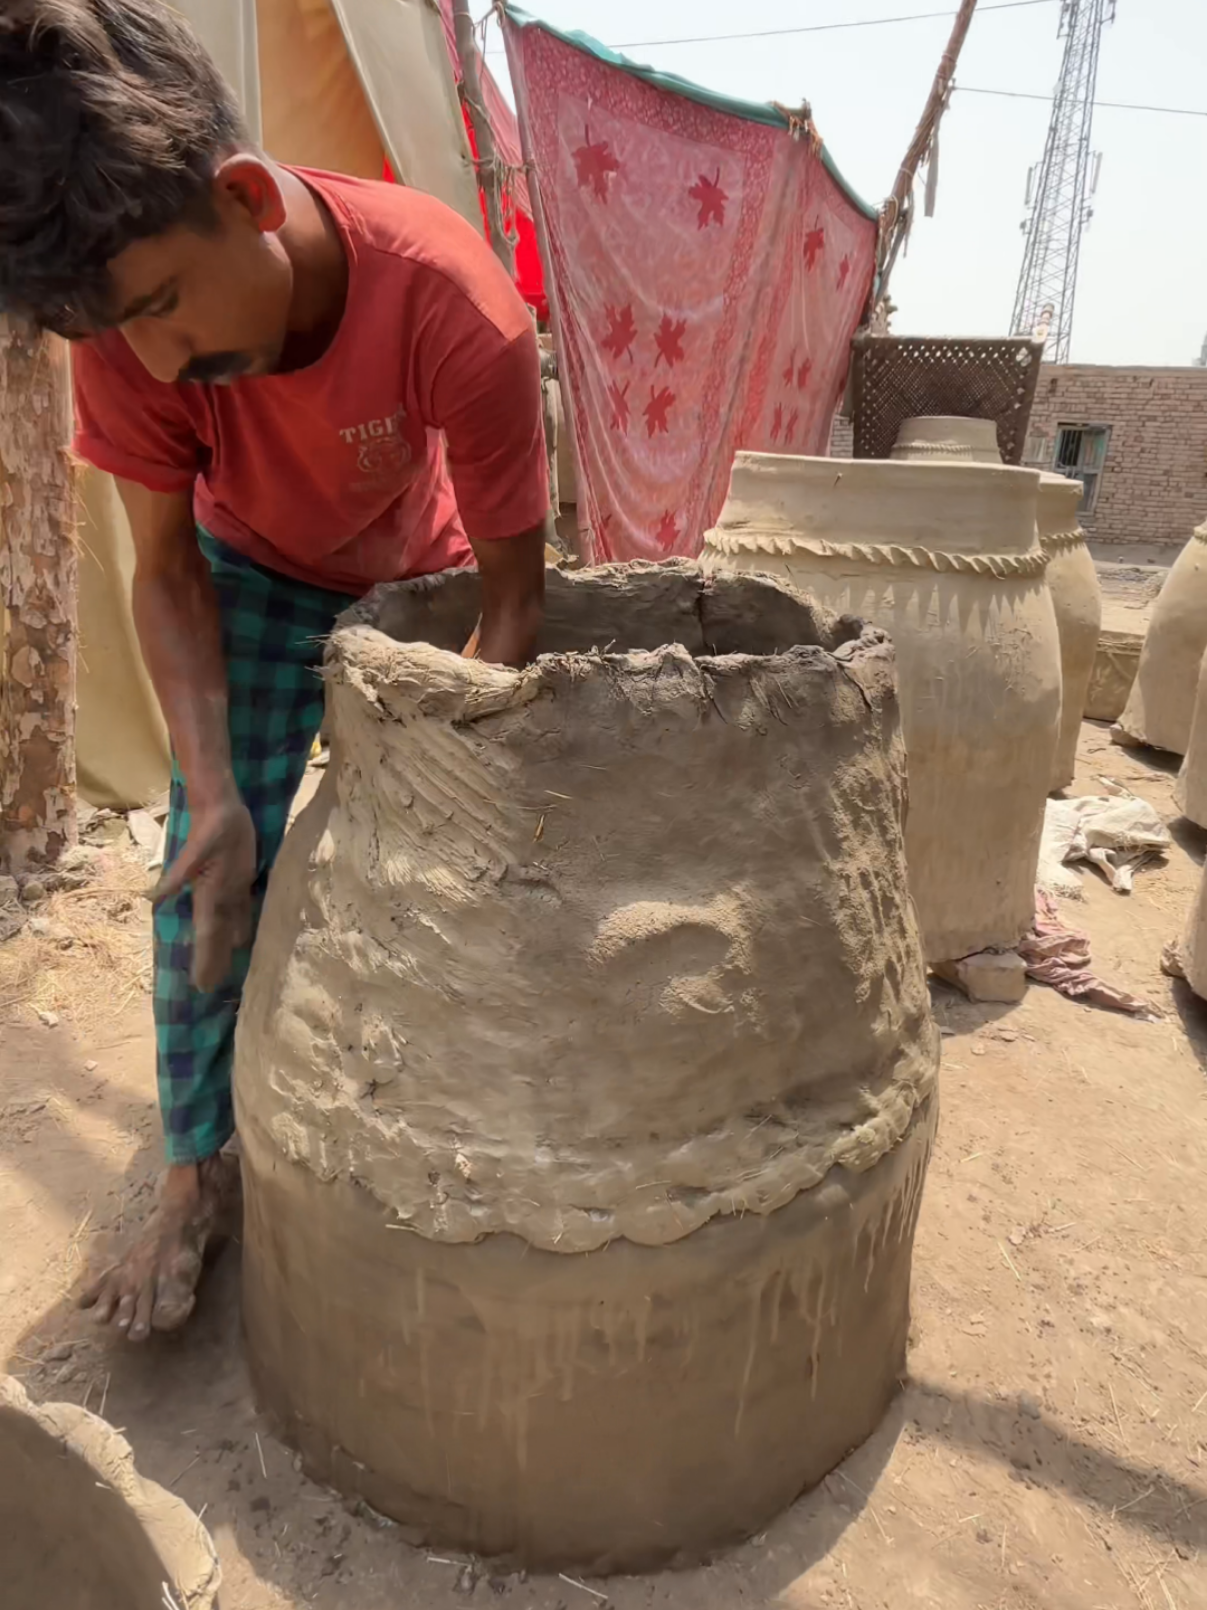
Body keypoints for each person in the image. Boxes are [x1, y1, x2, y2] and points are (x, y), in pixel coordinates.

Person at [0, 0, 551, 1341]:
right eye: (119, 333)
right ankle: (196, 1176)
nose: (161, 362)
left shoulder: (453, 302)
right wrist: (216, 793)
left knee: (449, 859)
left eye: (165, 307)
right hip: (245, 569)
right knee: (205, 868)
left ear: (243, 197)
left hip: (411, 580)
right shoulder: (131, 335)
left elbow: (511, 604)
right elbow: (166, 571)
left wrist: (448, 758)